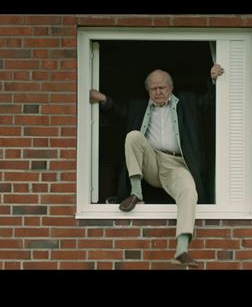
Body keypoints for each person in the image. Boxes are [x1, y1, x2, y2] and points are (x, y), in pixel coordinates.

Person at [89, 64, 224, 267]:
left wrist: (214, 80)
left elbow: (209, 102)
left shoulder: (186, 102)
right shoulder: (137, 106)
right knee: (133, 136)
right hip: (151, 162)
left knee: (189, 191)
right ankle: (136, 192)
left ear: (170, 88)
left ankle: (182, 249)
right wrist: (103, 99)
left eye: (162, 87)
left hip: (177, 164)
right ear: (148, 91)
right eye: (153, 88)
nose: (158, 92)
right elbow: (118, 112)